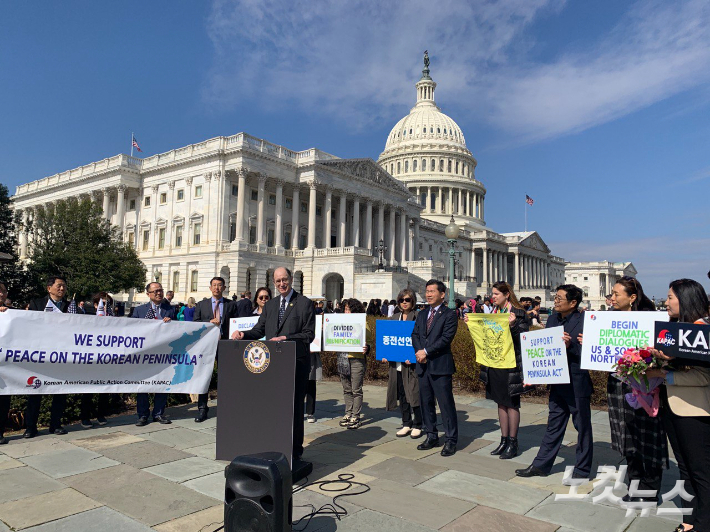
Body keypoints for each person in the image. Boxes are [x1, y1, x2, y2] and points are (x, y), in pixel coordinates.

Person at [647, 279, 710, 532]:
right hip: (671, 407)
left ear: (685, 299)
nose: (667, 301)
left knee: (701, 471)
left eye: (671, 297)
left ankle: (704, 524)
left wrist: (664, 375)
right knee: (685, 468)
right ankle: (689, 520)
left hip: (694, 411)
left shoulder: (702, 330)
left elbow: (704, 377)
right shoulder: (674, 329)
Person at [232, 267, 315, 461]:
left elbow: (309, 335)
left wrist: (287, 338)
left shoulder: (304, 303)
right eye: (277, 282)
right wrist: (244, 335)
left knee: (294, 409)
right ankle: (276, 446)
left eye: (284, 280)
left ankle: (295, 451)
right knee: (275, 408)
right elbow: (259, 329)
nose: (281, 284)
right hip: (273, 366)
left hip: (295, 364)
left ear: (291, 279)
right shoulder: (271, 305)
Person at [600, 276, 667, 505]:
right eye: (612, 293)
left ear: (632, 297)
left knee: (647, 436)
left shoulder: (651, 321)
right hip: (617, 386)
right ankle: (634, 483)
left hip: (644, 387)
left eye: (617, 294)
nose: (612, 298)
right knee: (626, 436)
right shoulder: (607, 320)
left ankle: (650, 489)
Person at [516, 284, 593, 481]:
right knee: (553, 425)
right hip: (557, 381)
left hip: (577, 381)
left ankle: (582, 470)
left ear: (573, 302)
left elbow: (591, 353)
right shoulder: (552, 318)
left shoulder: (585, 321)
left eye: (560, 298)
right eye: (555, 297)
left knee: (582, 427)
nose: (556, 301)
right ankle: (541, 465)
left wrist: (570, 345)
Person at [474, 281, 529, 459]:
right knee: (500, 402)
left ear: (507, 295)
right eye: (493, 293)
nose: (493, 297)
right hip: (495, 363)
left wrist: (513, 326)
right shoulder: (494, 314)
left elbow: (523, 339)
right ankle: (503, 440)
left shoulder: (518, 313)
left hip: (511, 365)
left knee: (512, 403)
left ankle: (513, 442)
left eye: (496, 294)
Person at [412, 279, 459, 456]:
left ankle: (450, 440)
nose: (429, 294)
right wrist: (418, 351)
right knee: (426, 403)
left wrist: (426, 351)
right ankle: (431, 435)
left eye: (432, 291)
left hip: (440, 366)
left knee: (446, 404)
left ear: (442, 294)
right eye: (427, 291)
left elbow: (445, 339)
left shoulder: (449, 314)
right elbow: (415, 334)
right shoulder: (423, 314)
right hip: (423, 366)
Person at [25, 276, 70, 438]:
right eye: (59, 286)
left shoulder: (69, 306)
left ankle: (56, 425)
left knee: (59, 392)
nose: (62, 289)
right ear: (49, 288)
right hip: (41, 355)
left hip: (62, 355)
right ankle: (30, 427)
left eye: (64, 286)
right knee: (35, 392)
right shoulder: (37, 304)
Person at [192, 277, 238, 422]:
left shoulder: (231, 305)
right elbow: (195, 324)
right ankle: (202, 408)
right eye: (214, 285)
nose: (217, 288)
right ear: (210, 287)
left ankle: (226, 407)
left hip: (225, 345)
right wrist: (208, 322)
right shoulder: (201, 305)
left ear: (224, 288)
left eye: (219, 285)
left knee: (226, 377)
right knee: (204, 377)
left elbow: (236, 324)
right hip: (207, 346)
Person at [130, 282, 175, 426]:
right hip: (144, 354)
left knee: (161, 383)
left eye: (161, 290)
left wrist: (171, 323)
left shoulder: (170, 309)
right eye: (155, 291)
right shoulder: (139, 311)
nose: (159, 293)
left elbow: (180, 329)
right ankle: (142, 415)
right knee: (143, 385)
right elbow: (131, 330)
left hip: (163, 354)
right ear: (148, 294)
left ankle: (159, 413)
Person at [383, 288, 422, 438]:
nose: (404, 303)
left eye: (407, 300)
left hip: (412, 364)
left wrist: (412, 356)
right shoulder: (394, 317)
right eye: (401, 300)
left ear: (413, 302)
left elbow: (420, 340)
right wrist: (386, 354)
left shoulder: (418, 316)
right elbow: (388, 340)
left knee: (414, 393)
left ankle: (418, 423)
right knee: (401, 394)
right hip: (396, 365)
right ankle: (406, 423)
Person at [80, 292, 115, 428]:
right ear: (96, 305)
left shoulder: (113, 319)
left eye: (108, 305)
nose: (106, 307)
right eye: (104, 304)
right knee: (88, 391)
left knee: (104, 390)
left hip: (107, 360)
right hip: (90, 360)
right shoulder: (87, 318)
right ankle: (85, 417)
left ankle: (101, 415)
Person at [337, 298, 371, 429]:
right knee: (346, 389)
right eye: (345, 309)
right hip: (342, 357)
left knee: (356, 389)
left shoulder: (363, 323)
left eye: (349, 309)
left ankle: (355, 416)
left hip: (356, 358)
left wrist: (367, 347)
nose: (347, 311)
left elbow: (368, 340)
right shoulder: (339, 322)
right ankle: (348, 413)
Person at [0, 280, 11, 444]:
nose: (1, 295)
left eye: (3, 291)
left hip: (5, 365)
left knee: (3, 400)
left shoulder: (10, 313)